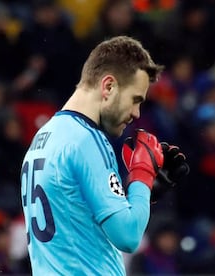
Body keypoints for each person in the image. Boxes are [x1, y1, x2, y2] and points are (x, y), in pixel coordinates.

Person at [20, 36, 188, 275]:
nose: (136, 113)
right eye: (135, 100)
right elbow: (128, 237)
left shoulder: (45, 136)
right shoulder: (87, 139)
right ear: (108, 86)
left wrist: (143, 193)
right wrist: (141, 175)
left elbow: (76, 217)